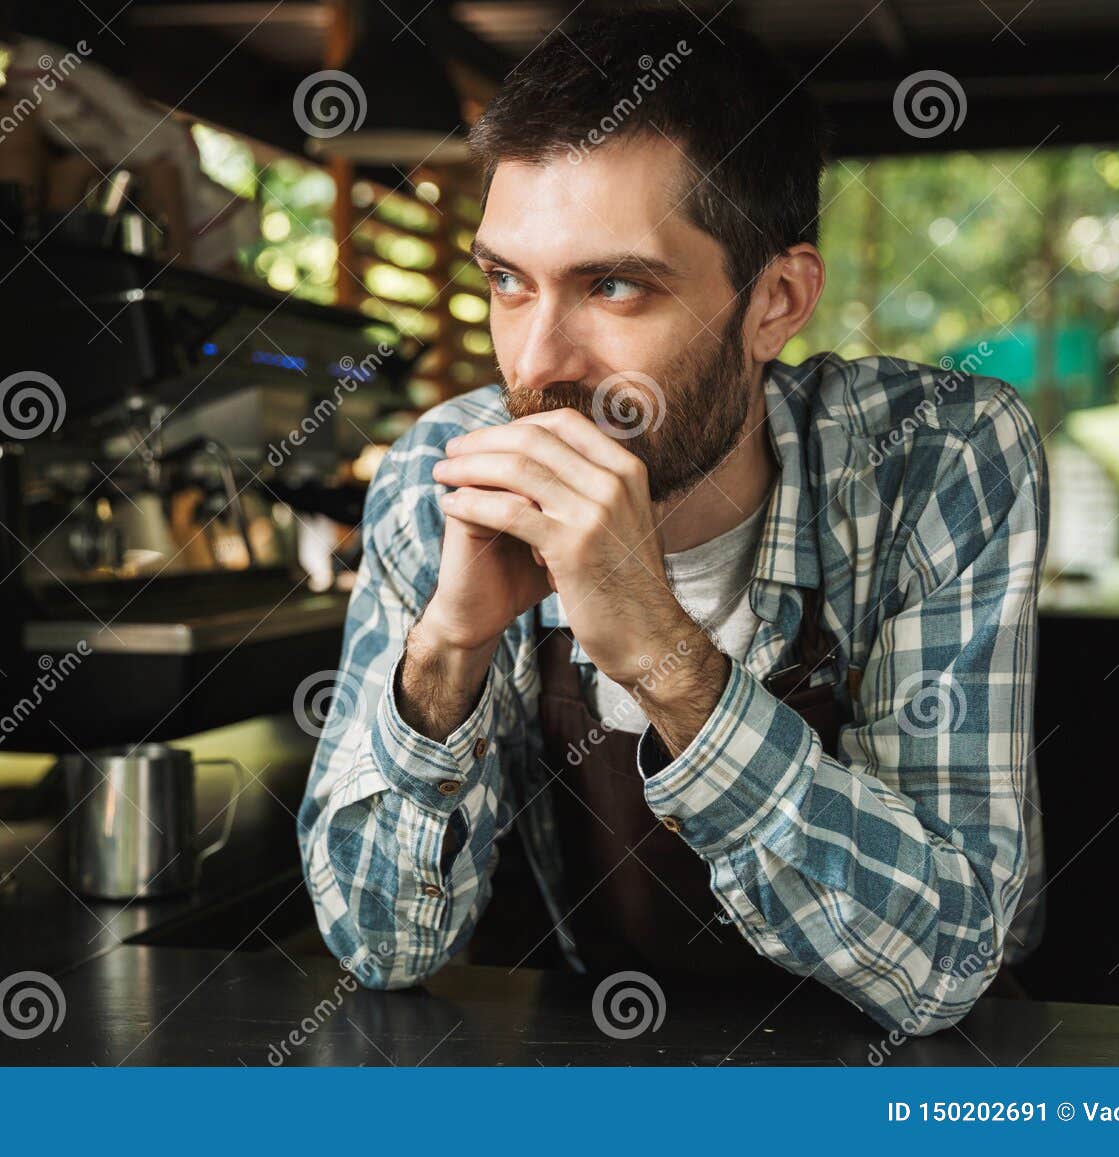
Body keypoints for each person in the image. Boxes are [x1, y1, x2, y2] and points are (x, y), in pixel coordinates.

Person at [297, 7, 1048, 1035]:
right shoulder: (442, 468)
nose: (536, 363)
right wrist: (446, 652)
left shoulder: (936, 453)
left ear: (776, 299)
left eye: (613, 285)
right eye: (508, 282)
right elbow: (379, 948)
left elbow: (945, 963)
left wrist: (659, 650)